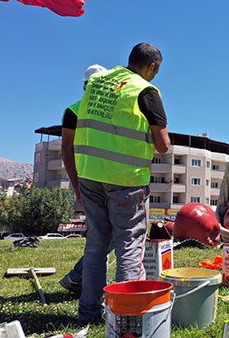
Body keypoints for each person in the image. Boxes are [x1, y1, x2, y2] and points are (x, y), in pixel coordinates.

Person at [75, 43, 170, 324]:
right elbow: (163, 145)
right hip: (126, 180)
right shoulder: (145, 91)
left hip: (90, 174)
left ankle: (89, 312)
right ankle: (125, 314)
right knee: (129, 244)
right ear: (151, 67)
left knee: (95, 246)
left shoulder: (97, 83)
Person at [58, 64, 108, 296]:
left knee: (108, 235)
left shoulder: (109, 109)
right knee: (105, 235)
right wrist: (77, 186)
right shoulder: (74, 111)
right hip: (90, 181)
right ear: (86, 86)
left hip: (109, 179)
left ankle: (80, 279)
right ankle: (79, 279)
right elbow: (66, 151)